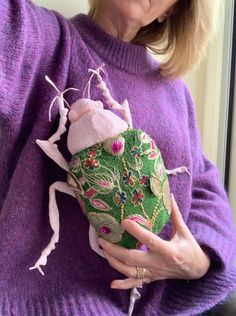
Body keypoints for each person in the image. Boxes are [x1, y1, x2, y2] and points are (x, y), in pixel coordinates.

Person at [0, 0, 235, 315]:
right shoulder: (44, 41)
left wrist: (197, 261)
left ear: (170, 11)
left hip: (160, 303)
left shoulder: (177, 95)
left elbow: (207, 191)